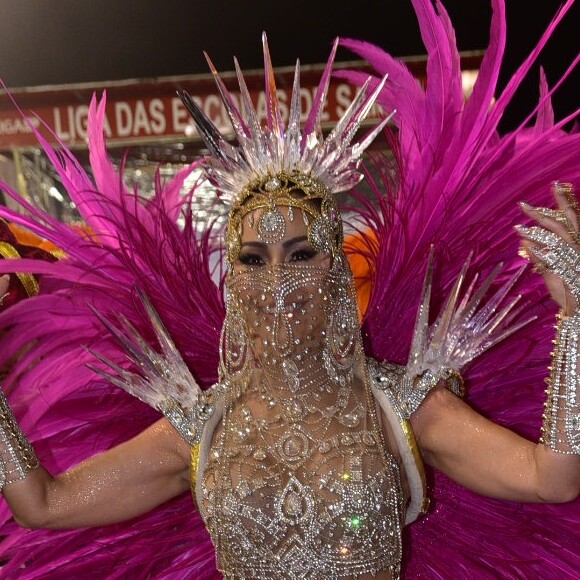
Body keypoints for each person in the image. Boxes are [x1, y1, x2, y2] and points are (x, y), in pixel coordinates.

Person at [0, 1, 579, 577]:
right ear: (234, 276)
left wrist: (576, 317)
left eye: (300, 254)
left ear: (332, 268)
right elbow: (44, 505)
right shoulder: (200, 428)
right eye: (253, 258)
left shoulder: (401, 404)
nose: (277, 278)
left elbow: (550, 478)